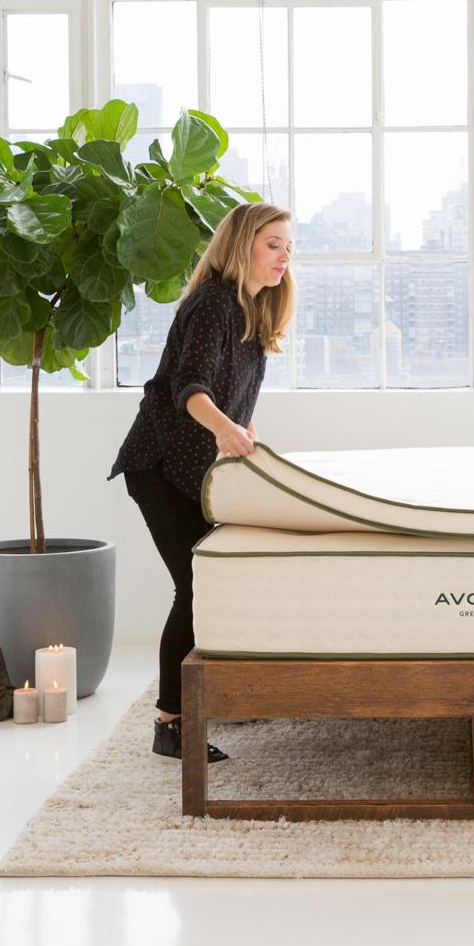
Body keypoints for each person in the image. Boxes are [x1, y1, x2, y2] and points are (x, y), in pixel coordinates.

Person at [109, 203, 295, 760]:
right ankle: (171, 725)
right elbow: (188, 387)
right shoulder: (214, 301)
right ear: (241, 246)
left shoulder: (252, 309)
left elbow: (236, 394)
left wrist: (246, 434)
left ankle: (222, 696)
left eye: (289, 247)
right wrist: (225, 429)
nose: (284, 257)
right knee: (196, 584)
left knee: (222, 578)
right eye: (272, 244)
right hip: (160, 465)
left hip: (197, 471)